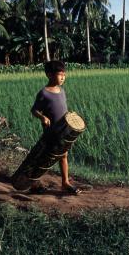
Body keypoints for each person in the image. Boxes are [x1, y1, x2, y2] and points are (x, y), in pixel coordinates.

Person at [30, 60, 79, 194]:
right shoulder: (44, 93)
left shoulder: (61, 91)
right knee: (45, 157)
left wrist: (69, 116)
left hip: (63, 131)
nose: (63, 77)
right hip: (51, 132)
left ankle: (65, 182)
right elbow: (34, 110)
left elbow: (63, 109)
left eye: (64, 74)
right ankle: (33, 183)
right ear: (49, 75)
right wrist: (43, 117)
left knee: (63, 155)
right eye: (60, 74)